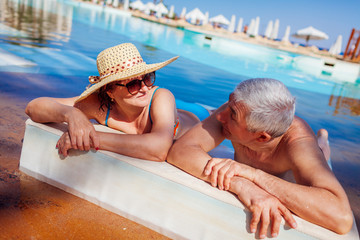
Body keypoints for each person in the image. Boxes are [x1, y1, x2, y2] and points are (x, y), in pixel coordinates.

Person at [167, 78, 353, 238]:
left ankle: (323, 138)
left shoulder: (297, 143)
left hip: (310, 153)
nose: (220, 116)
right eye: (229, 105)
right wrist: (242, 184)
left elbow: (342, 218)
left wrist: (254, 175)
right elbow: (180, 151)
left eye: (232, 115)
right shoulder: (236, 109)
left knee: (321, 152)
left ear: (262, 137)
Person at [26, 43, 201, 161]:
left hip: (195, 119)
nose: (144, 88)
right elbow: (33, 107)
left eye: (147, 78)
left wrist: (94, 138)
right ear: (110, 91)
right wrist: (72, 114)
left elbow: (159, 149)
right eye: (133, 83)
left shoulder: (161, 96)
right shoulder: (100, 106)